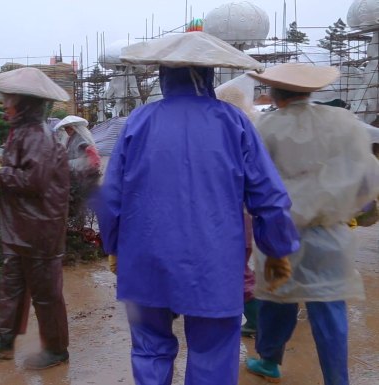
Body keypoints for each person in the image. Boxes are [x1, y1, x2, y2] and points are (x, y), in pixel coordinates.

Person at [95, 31, 300, 385]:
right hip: (214, 260)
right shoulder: (234, 122)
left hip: (146, 256)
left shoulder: (138, 122)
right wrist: (278, 250)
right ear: (208, 75)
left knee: (149, 347)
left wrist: (113, 246)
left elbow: (111, 196)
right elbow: (269, 196)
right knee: (213, 351)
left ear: (163, 75)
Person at [245, 63, 379, 385]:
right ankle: (337, 379)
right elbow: (368, 172)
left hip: (281, 232)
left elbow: (255, 180)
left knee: (277, 298)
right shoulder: (344, 122)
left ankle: (269, 361)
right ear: (311, 90)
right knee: (329, 304)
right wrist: (361, 210)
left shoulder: (267, 127)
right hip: (330, 232)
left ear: (275, 94)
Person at [0, 67, 71, 370]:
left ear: (25, 102)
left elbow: (35, 181)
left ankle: (56, 349)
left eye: (9, 97)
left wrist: (1, 173)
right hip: (19, 226)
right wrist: (0, 172)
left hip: (39, 229)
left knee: (45, 293)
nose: (5, 102)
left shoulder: (39, 136)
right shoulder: (22, 132)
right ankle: (4, 339)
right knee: (11, 285)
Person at [215, 77, 262, 337]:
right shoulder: (250, 132)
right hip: (245, 216)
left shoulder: (223, 136)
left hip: (229, 218)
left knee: (237, 273)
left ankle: (257, 320)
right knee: (238, 269)